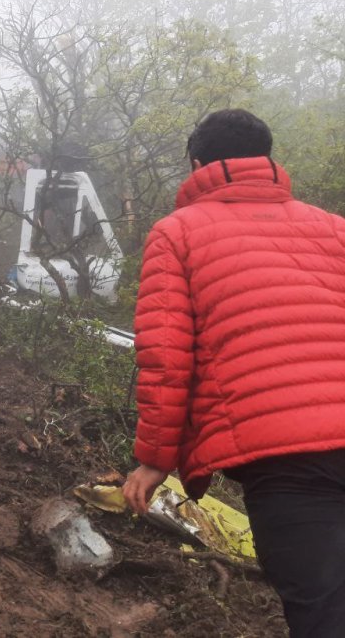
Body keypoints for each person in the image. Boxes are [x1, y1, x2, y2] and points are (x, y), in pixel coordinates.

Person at [121, 108, 345, 637]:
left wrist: (155, 458)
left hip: (287, 458)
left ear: (197, 163)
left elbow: (166, 355)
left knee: (321, 609)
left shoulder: (177, 233)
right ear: (267, 159)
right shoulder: (335, 229)